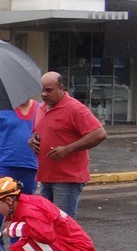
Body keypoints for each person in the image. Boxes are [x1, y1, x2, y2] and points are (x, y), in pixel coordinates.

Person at [29, 71, 106, 218]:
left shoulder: (76, 109)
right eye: (42, 90)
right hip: (46, 176)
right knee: (46, 222)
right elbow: (38, 133)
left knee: (63, 224)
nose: (44, 94)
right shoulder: (41, 108)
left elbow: (99, 134)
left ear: (61, 88)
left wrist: (67, 149)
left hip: (67, 178)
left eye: (49, 90)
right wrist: (32, 141)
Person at [0, 99, 38, 233]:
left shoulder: (40, 109)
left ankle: (21, 245)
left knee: (25, 209)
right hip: (3, 165)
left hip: (30, 166)